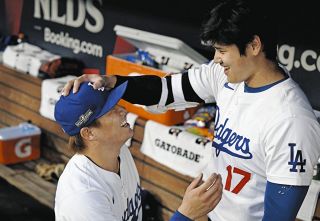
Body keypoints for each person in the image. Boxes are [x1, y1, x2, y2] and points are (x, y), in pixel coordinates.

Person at [63, 0, 320, 220]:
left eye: (222, 50)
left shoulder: (291, 119)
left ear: (254, 46)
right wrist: (114, 82)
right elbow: (164, 90)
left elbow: (278, 216)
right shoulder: (225, 77)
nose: (216, 59)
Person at [54, 81, 222, 221]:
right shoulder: (83, 197)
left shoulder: (119, 152)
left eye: (117, 104)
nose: (123, 111)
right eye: (111, 110)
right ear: (89, 133)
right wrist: (187, 214)